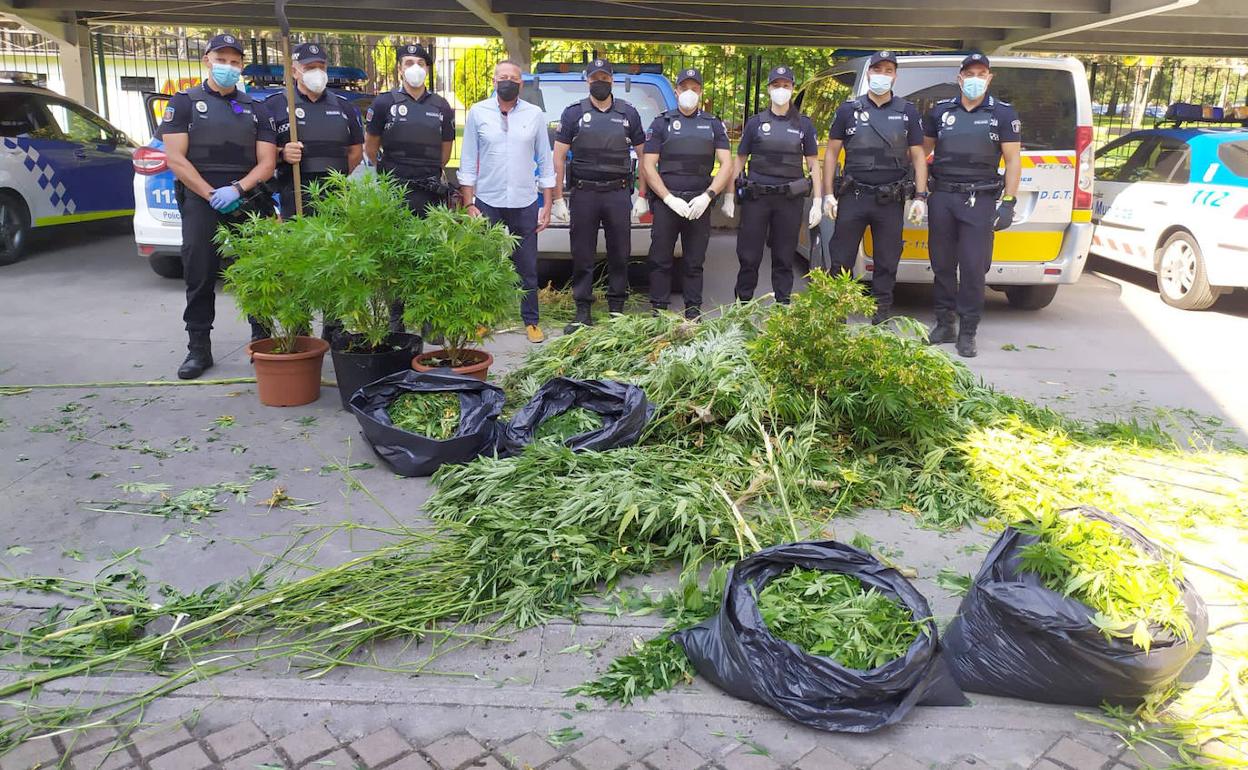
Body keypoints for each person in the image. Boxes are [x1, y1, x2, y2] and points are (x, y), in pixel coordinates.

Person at [160, 32, 277, 379]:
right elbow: (175, 159)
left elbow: (267, 162)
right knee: (199, 272)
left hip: (246, 198)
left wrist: (237, 189)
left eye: (234, 61)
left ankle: (262, 339)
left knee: (256, 273)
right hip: (201, 199)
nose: (228, 66)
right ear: (207, 60)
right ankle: (198, 349)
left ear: (241, 66)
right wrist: (211, 193)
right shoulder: (184, 102)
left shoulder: (256, 108)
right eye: (221, 59)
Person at [923, 53, 1022, 357]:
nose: (975, 78)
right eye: (970, 73)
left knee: (973, 267)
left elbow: (1013, 160)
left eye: (982, 73)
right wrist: (917, 192)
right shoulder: (940, 112)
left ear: (989, 78)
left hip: (979, 199)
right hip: (942, 197)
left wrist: (1008, 201)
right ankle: (944, 323)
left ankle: (968, 330)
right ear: (960, 78)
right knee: (941, 263)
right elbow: (921, 155)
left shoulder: (1003, 114)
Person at [821, 51, 928, 324]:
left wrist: (920, 196)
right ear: (869, 73)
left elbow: (918, 155)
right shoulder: (848, 110)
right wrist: (828, 195)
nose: (882, 74)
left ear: (895, 75)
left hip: (890, 200)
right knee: (840, 259)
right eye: (877, 69)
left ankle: (880, 315)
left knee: (887, 261)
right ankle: (836, 312)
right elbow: (832, 153)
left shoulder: (907, 112)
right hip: (853, 197)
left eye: (888, 70)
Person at [459, 60, 556, 344]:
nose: (508, 81)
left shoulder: (534, 115)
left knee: (527, 267)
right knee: (486, 264)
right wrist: (469, 203)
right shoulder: (478, 113)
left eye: (513, 78)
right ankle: (482, 319)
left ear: (521, 84)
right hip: (488, 200)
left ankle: (531, 321)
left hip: (525, 201)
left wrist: (547, 204)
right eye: (503, 77)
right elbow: (467, 161)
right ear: (493, 81)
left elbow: (545, 161)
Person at [551, 58, 648, 332]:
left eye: (605, 78)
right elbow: (558, 157)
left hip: (618, 193)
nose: (600, 83)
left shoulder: (628, 113)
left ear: (612, 80)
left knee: (620, 253)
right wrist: (558, 197)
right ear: (587, 81)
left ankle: (617, 308)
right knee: (582, 253)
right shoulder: (573, 114)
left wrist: (642, 194)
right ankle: (583, 311)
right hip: (584, 194)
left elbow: (645, 157)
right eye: (595, 79)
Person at [364, 42, 455, 331]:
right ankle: (396, 318)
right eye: (408, 62)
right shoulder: (383, 103)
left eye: (420, 62)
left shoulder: (441, 106)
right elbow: (371, 147)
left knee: (430, 255)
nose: (414, 68)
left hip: (429, 190)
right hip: (396, 189)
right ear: (399, 68)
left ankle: (429, 317)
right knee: (396, 255)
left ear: (428, 68)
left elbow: (445, 150)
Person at [642, 67, 734, 319]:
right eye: (685, 88)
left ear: (701, 92)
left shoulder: (713, 124)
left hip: (699, 202)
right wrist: (667, 197)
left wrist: (709, 195)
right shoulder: (662, 122)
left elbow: (727, 163)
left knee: (694, 262)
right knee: (660, 260)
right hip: (667, 202)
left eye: (695, 89)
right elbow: (648, 165)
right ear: (676, 91)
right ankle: (658, 314)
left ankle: (693, 314)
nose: (689, 93)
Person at [734, 65, 822, 305]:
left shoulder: (804, 125)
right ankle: (742, 307)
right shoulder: (755, 123)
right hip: (757, 199)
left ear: (792, 89)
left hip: (789, 201)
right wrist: (732, 196)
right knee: (749, 257)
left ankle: (782, 307)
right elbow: (738, 161)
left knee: (784, 258)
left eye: (785, 86)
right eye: (776, 85)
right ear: (769, 89)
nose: (781, 90)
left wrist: (818, 201)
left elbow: (814, 165)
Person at [268, 42, 364, 217]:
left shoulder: (344, 106)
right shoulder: (275, 105)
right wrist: (282, 154)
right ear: (294, 71)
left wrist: (336, 177)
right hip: (295, 192)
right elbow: (262, 152)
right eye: (310, 67)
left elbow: (356, 150)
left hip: (336, 193)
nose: (317, 72)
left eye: (321, 67)